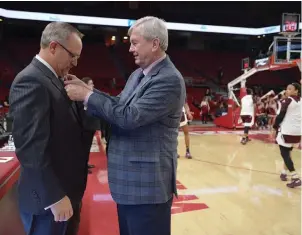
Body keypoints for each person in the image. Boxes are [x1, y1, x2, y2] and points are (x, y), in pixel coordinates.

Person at [64, 16, 186, 235]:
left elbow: (129, 117)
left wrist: (87, 96)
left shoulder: (169, 79)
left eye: (135, 42)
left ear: (155, 44)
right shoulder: (138, 74)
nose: (130, 49)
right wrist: (88, 91)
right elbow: (119, 103)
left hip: (148, 189)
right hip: (131, 185)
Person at [9, 22, 88, 235]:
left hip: (65, 195)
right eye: (73, 55)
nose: (75, 62)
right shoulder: (31, 81)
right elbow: (30, 147)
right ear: (53, 46)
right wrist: (53, 196)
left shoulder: (53, 79)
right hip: (49, 202)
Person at [272, 83, 301, 188]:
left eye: (289, 89)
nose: (287, 90)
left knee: (284, 154)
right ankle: (284, 172)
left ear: (296, 91)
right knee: (288, 153)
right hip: (297, 132)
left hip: (287, 131)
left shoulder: (287, 101)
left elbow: (281, 115)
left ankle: (295, 177)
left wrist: (275, 126)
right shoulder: (301, 101)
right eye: (287, 89)